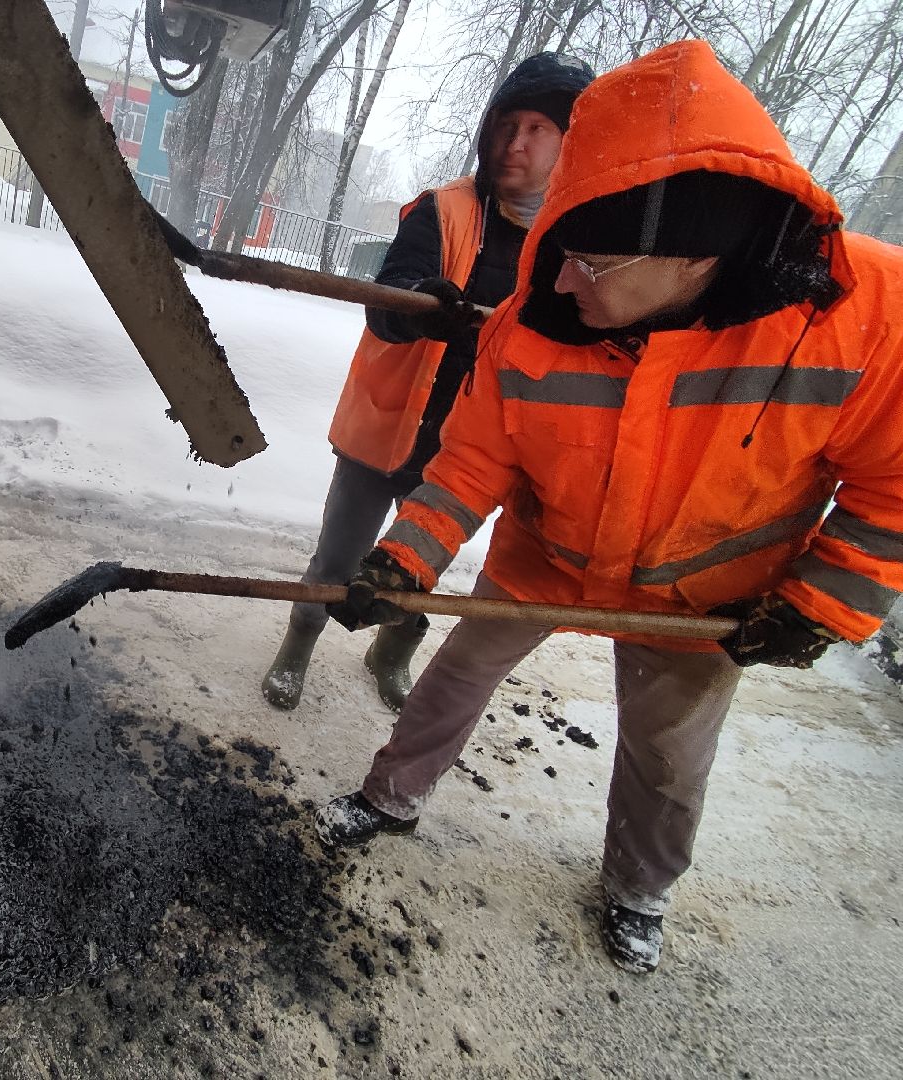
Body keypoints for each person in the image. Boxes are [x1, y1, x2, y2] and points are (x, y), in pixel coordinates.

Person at [314, 38, 903, 976]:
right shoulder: (534, 325)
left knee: (669, 752)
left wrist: (822, 604)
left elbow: (893, 484)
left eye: (587, 262)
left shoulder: (860, 316)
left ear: (687, 256)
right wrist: (405, 559)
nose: (558, 281)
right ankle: (391, 795)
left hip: (708, 593)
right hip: (547, 557)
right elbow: (472, 464)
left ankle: (638, 887)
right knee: (455, 679)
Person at [261, 53, 596, 713]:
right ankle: (296, 647)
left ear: (569, 144)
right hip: (385, 430)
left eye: (537, 129)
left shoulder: (571, 243)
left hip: (466, 457)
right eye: (506, 125)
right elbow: (387, 299)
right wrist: (422, 305)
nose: (514, 143)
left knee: (415, 573)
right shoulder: (443, 211)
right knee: (337, 563)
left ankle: (391, 653)